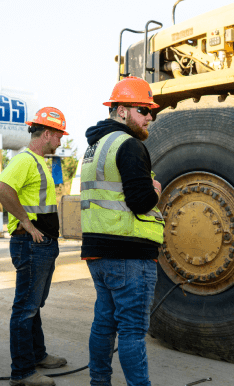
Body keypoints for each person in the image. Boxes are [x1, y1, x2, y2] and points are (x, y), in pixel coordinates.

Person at [80, 76, 165, 386]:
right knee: (131, 331)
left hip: (99, 252)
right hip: (129, 254)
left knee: (104, 324)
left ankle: (99, 382)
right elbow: (141, 202)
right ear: (122, 110)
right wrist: (155, 190)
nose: (149, 117)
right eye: (143, 109)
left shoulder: (94, 147)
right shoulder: (129, 145)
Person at [0, 106, 70, 386]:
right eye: (59, 135)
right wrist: (26, 222)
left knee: (33, 305)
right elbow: (1, 188)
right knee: (25, 307)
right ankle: (23, 372)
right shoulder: (25, 160)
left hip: (41, 244)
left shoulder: (38, 161)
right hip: (31, 244)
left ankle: (37, 355)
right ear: (47, 133)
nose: (61, 141)